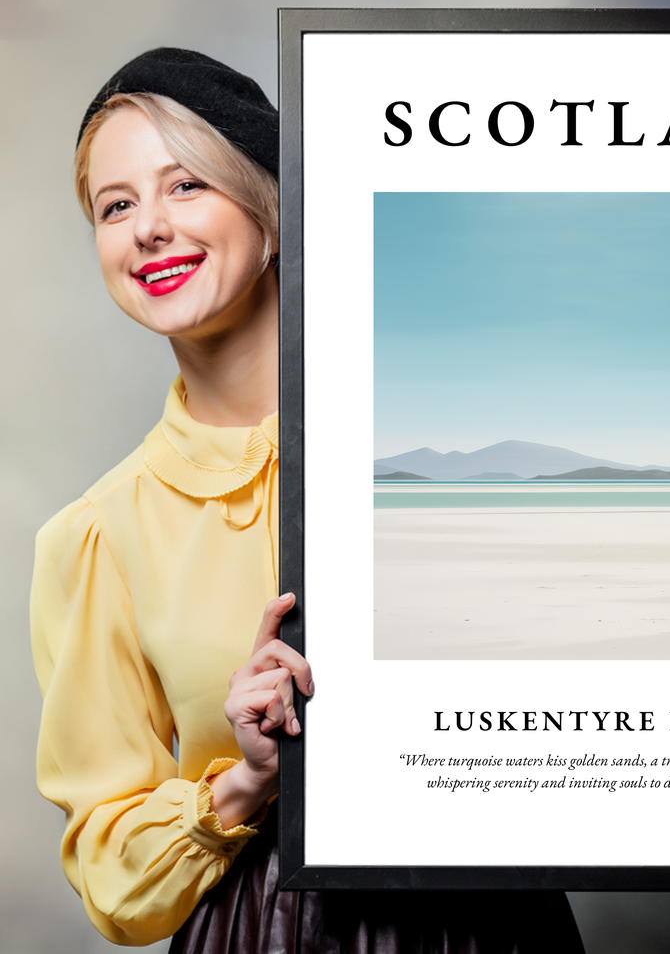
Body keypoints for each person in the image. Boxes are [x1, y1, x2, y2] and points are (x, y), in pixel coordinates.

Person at [30, 48, 585, 952]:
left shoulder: (452, 442)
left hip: (492, 921)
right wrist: (245, 780)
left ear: (273, 212)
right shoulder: (98, 535)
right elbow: (110, 871)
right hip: (262, 930)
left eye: (186, 187)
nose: (148, 229)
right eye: (116, 205)